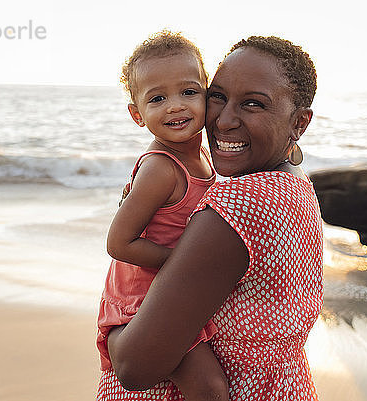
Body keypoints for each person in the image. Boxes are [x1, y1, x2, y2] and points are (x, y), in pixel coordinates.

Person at [99, 35, 324, 400]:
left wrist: (114, 334)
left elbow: (134, 367)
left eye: (253, 104)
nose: (224, 119)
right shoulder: (294, 186)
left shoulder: (236, 204)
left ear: (299, 123)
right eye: (217, 96)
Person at [96, 31, 228, 400]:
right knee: (209, 387)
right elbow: (119, 242)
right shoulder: (161, 168)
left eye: (188, 92)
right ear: (137, 114)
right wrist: (182, 264)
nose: (175, 106)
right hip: (141, 301)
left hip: (169, 291)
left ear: (208, 95)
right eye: (157, 98)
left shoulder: (204, 158)